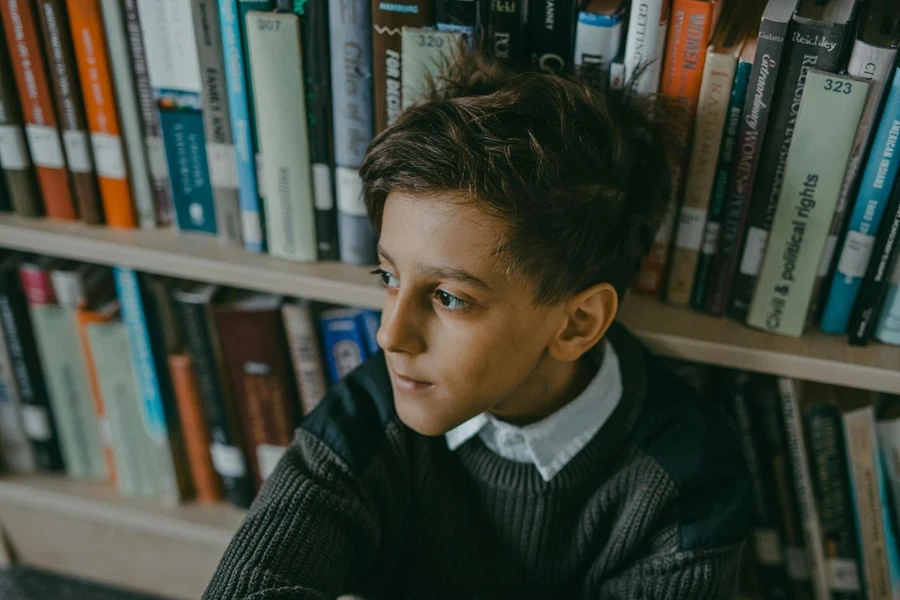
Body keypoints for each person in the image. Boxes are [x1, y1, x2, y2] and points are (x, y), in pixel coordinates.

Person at [203, 54, 752, 600]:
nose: (390, 336)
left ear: (576, 324)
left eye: (448, 297)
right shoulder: (370, 416)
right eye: (388, 276)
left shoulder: (688, 482)